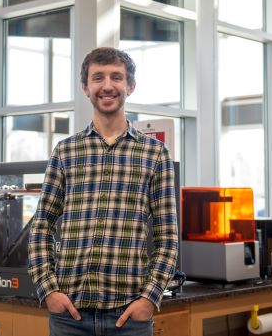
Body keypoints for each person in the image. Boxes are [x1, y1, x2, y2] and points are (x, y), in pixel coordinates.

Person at [28, 47, 179, 336]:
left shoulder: (155, 153)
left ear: (130, 86)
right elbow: (42, 225)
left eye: (116, 77)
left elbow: (167, 236)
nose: (107, 86)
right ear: (86, 87)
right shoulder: (65, 151)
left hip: (129, 317)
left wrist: (150, 297)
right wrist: (48, 290)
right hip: (69, 316)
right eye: (98, 78)